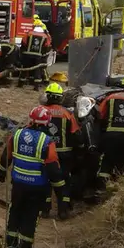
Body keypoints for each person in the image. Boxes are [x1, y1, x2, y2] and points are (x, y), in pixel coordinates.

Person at [0, 106, 68, 248]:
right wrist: (61, 195)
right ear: (47, 123)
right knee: (30, 216)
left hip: (18, 184)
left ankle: (10, 244)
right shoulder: (47, 142)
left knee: (15, 211)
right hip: (37, 187)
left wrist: (2, 173)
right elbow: (54, 171)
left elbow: (6, 156)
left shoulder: (17, 135)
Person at [42, 83, 82, 217]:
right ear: (60, 98)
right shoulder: (67, 114)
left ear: (47, 96)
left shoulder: (41, 111)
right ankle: (63, 210)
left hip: (45, 153)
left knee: (46, 180)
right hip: (64, 154)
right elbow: (76, 133)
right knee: (64, 181)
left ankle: (45, 210)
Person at [18, 20, 51, 90]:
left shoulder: (29, 34)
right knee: (37, 70)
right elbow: (47, 46)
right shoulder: (45, 36)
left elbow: (23, 42)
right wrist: (43, 54)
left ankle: (20, 84)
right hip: (38, 56)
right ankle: (36, 87)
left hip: (27, 55)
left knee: (24, 69)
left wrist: (22, 52)